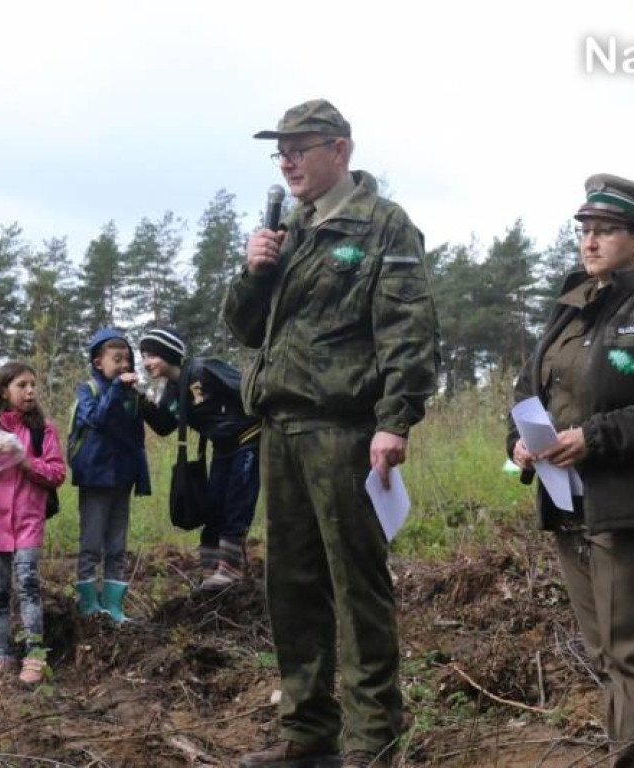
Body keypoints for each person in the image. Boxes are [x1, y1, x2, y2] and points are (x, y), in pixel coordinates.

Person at [223, 98, 440, 768]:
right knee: (289, 586)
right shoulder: (286, 231)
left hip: (346, 432)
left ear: (339, 150)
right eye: (279, 150)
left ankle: (374, 740)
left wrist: (394, 420)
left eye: (300, 146)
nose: (287, 159)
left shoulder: (382, 226)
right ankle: (309, 729)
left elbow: (408, 331)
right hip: (282, 430)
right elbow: (242, 329)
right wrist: (253, 271)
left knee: (357, 587)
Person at [507, 175, 634, 767]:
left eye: (605, 232)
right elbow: (528, 387)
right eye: (585, 230)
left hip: (629, 505)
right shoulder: (569, 307)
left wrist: (595, 437)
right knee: (606, 654)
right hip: (568, 506)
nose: (589, 242)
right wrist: (518, 440)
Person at [0, 362, 66, 685]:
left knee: (28, 585)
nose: (30, 391)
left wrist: (24, 461)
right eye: (22, 385)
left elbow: (57, 473)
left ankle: (35, 655)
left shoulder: (43, 430)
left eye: (33, 385)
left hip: (28, 520)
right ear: (3, 391)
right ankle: (3, 653)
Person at [139, 328, 261, 592]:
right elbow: (164, 425)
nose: (146, 362)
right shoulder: (173, 390)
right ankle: (210, 569)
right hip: (222, 448)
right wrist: (138, 399)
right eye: (144, 356)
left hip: (247, 440)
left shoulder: (204, 370)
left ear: (169, 353)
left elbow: (249, 391)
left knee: (236, 505)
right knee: (213, 506)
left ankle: (230, 570)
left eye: (152, 355)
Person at [67, 328, 150, 623]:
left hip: (122, 479)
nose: (124, 365)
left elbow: (138, 436)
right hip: (95, 479)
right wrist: (117, 389)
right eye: (117, 359)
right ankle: (88, 605)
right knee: (91, 544)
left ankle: (114, 607)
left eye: (127, 359)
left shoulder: (132, 395)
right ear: (98, 363)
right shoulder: (88, 390)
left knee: (117, 546)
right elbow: (98, 419)